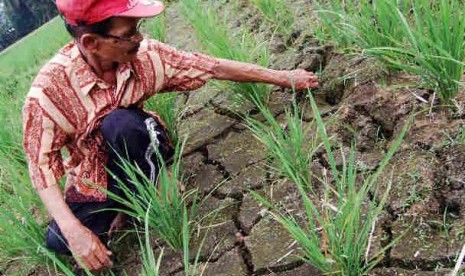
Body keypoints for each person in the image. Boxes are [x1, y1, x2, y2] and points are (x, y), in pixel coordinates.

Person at [22, 0, 319, 272]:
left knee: (120, 123)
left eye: (139, 29)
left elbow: (212, 66)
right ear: (91, 42)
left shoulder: (145, 56)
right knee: (60, 238)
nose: (139, 38)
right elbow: (41, 165)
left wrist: (284, 77)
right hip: (98, 171)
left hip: (142, 141)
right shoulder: (49, 93)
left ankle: (157, 180)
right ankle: (127, 205)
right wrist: (74, 231)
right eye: (129, 33)